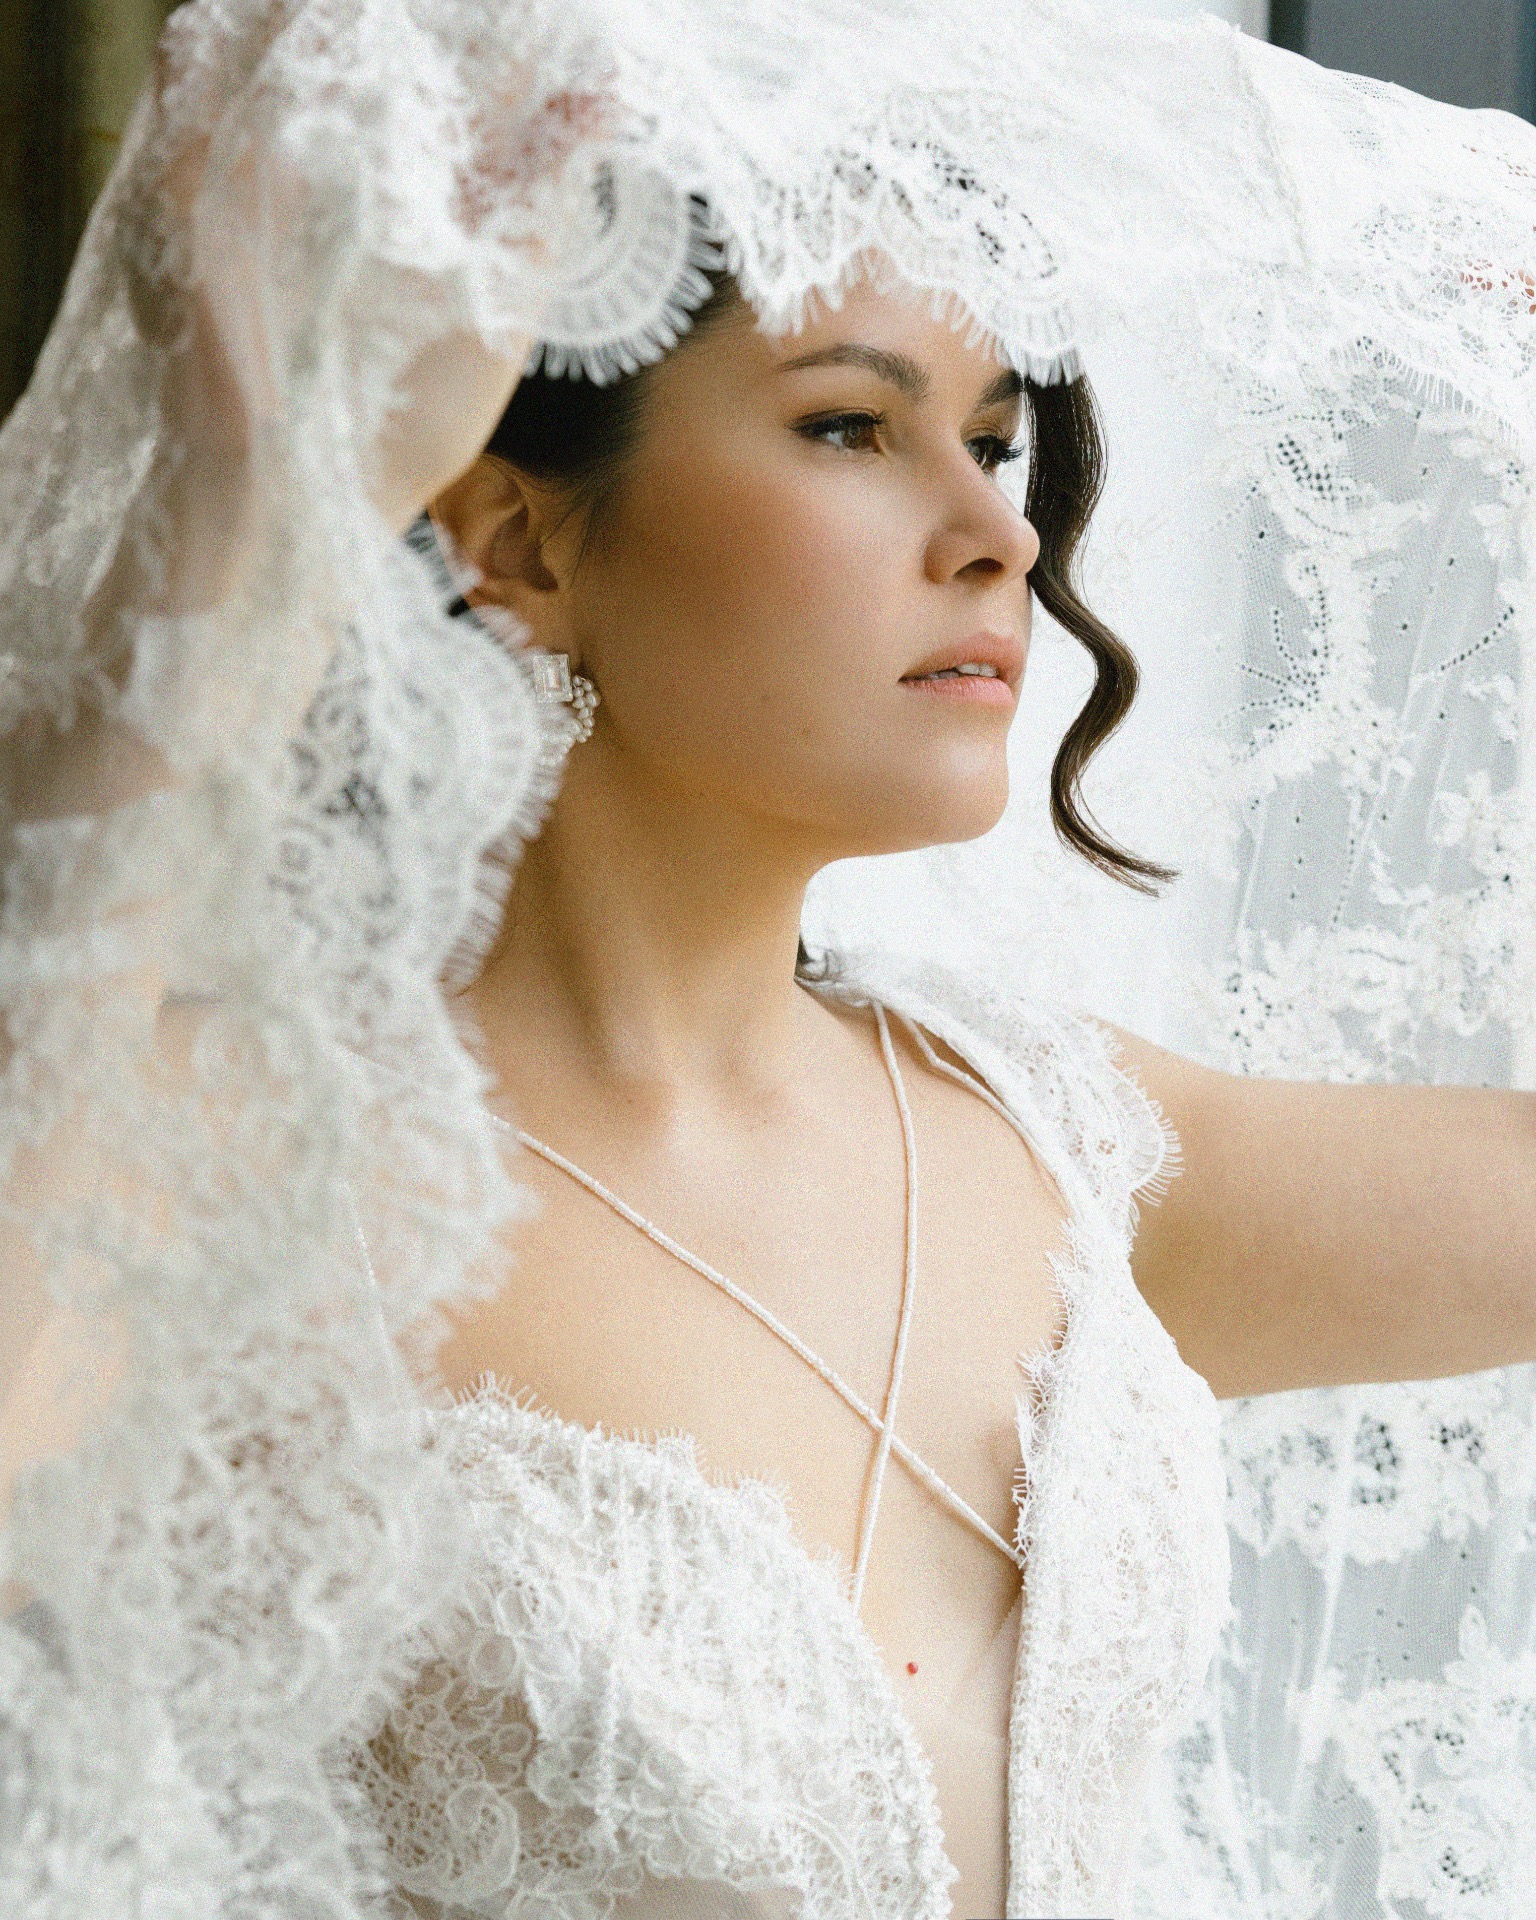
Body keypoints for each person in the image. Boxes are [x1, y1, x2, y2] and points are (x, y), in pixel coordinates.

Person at [2, 3, 1534, 1915]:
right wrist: (253, 491)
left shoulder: (1067, 1143)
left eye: (993, 440)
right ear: (517, 547)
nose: (994, 534)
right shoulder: (223, 1152)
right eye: (848, 427)